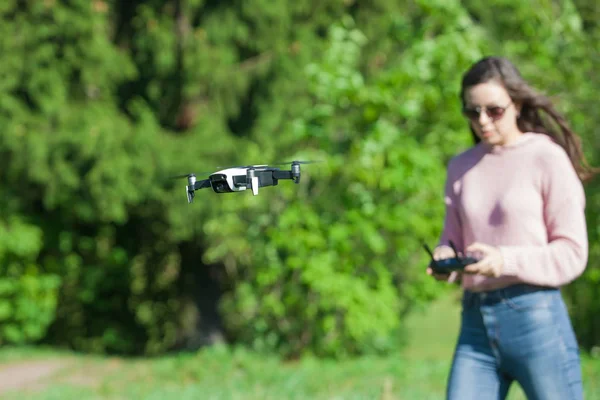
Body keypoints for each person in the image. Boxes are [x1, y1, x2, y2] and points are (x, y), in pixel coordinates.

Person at [427, 56, 597, 400]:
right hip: (475, 324)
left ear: (516, 104)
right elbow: (452, 236)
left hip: (537, 321)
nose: (483, 121)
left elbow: (573, 253)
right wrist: (445, 256)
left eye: (494, 110)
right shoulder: (461, 167)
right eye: (472, 112)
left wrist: (503, 261)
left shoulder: (546, 158)